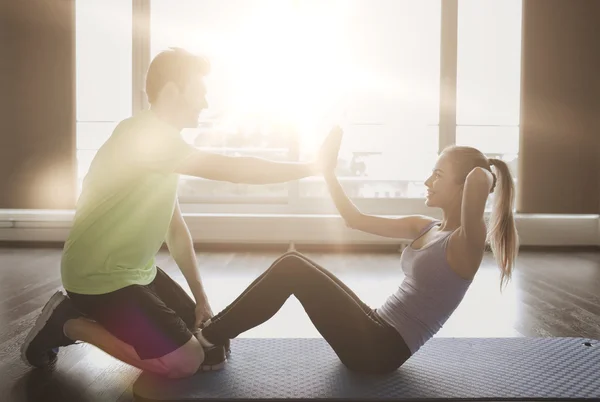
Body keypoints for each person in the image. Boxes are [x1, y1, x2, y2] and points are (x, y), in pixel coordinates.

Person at [20, 47, 341, 379]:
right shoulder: (143, 137)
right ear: (173, 90)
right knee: (185, 360)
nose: (204, 102)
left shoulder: (165, 144)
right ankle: (68, 322)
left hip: (137, 274)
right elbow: (235, 170)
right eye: (199, 92)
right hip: (98, 280)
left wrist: (201, 300)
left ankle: (102, 318)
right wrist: (310, 167)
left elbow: (175, 230)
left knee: (213, 347)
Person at [194, 127, 519, 374]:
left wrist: (485, 169)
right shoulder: (424, 226)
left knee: (292, 266)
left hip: (381, 351)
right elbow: (354, 219)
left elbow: (478, 178)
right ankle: (216, 336)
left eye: (438, 175)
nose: (427, 181)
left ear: (463, 186)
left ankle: (209, 338)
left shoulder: (467, 244)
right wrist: (327, 171)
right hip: (375, 325)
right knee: (294, 263)